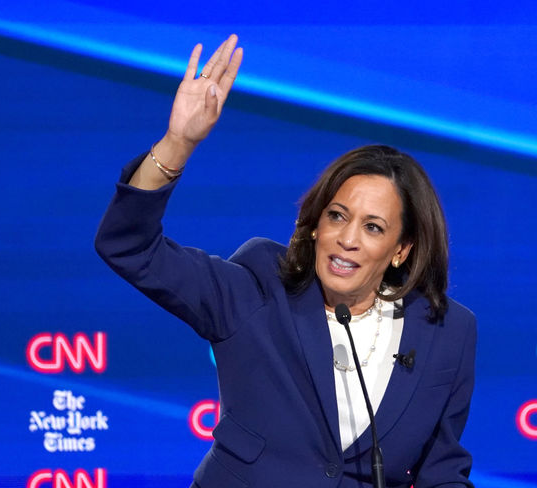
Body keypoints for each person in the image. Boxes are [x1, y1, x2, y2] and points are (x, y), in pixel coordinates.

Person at [95, 34, 476, 488]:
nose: (347, 239)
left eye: (373, 227)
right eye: (337, 216)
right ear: (315, 224)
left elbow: (442, 473)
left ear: (402, 249)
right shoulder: (258, 287)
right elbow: (129, 247)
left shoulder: (447, 332)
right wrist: (178, 144)